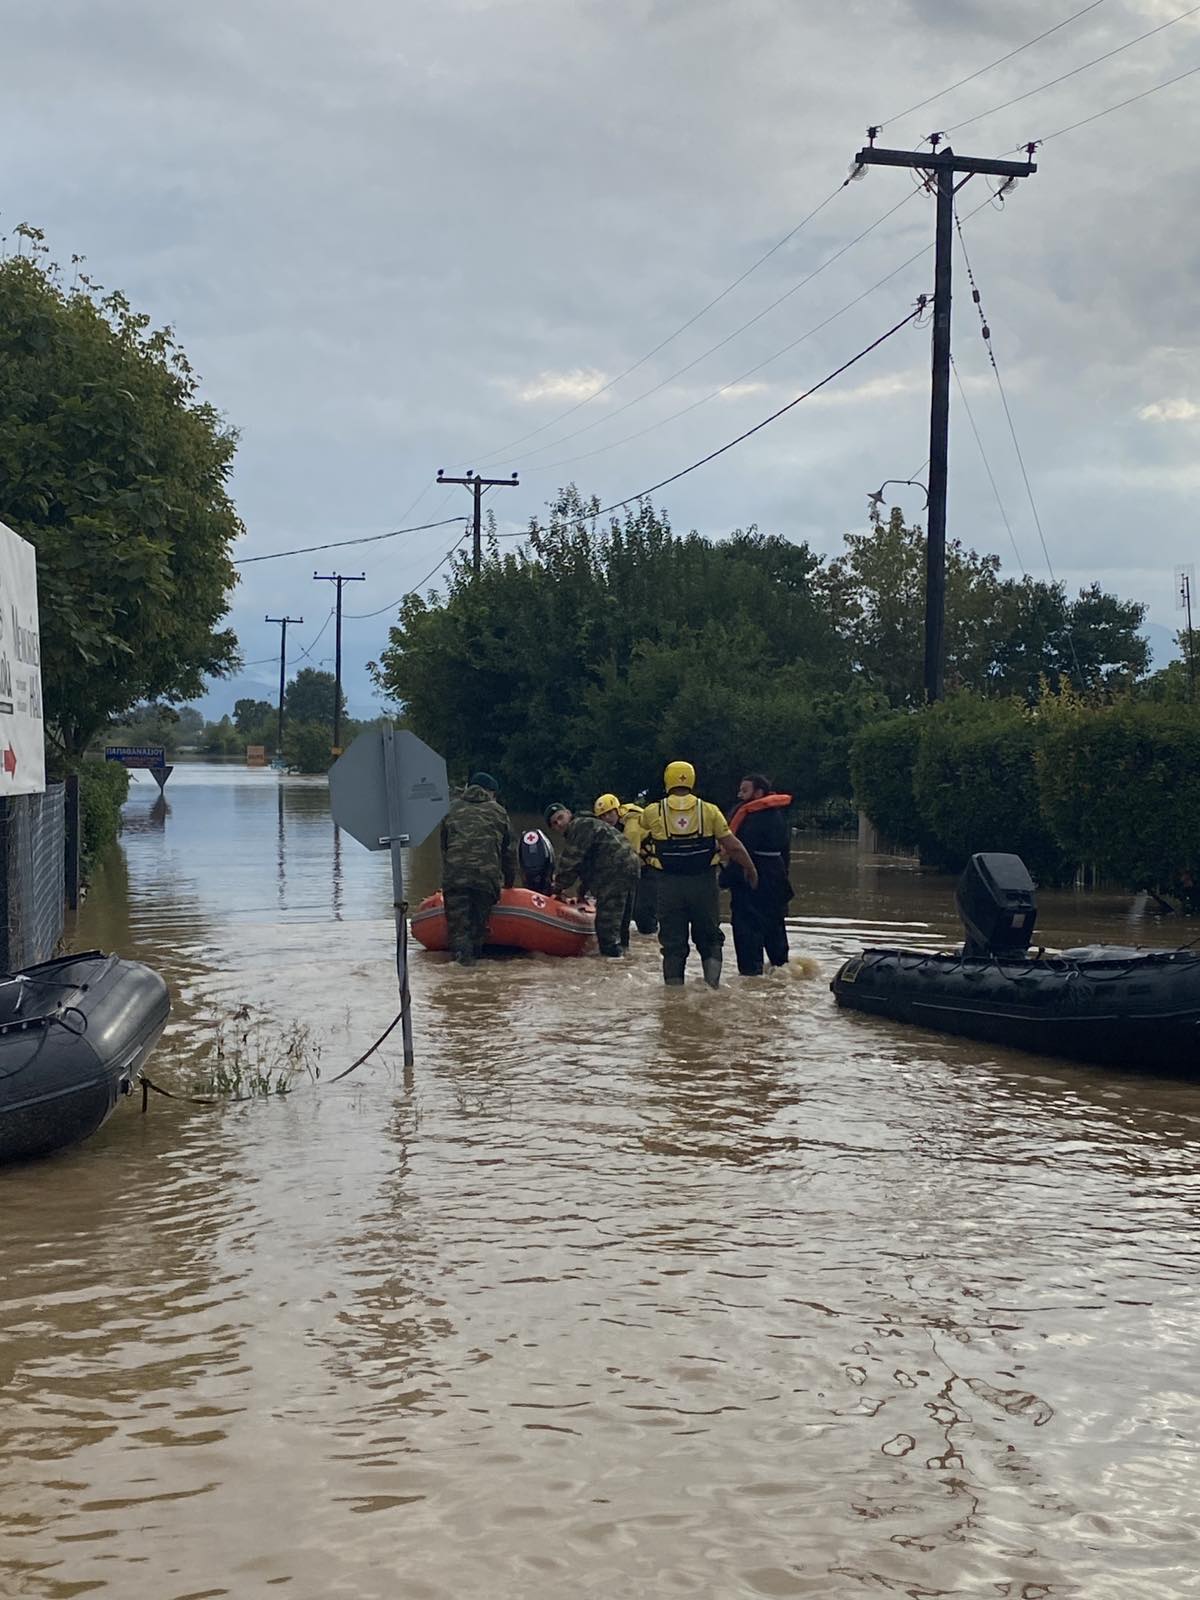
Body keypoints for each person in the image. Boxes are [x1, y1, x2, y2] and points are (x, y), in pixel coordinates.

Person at [639, 761, 757, 988]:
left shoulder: (653, 811)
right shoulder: (709, 810)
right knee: (710, 938)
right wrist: (750, 868)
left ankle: (673, 995)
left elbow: (640, 828)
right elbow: (733, 846)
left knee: (672, 943)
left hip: (668, 885)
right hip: (704, 884)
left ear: (667, 780)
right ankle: (712, 988)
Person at [439, 771, 516, 966]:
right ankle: (474, 970)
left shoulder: (451, 809)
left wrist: (449, 873)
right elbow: (509, 853)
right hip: (485, 879)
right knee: (477, 929)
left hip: (455, 877)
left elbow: (445, 846)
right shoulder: (499, 812)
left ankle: (460, 969)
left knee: (458, 930)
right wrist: (509, 883)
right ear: (489, 792)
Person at [546, 802, 640, 956]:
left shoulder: (578, 827)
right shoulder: (588, 823)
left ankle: (611, 961)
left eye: (560, 818)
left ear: (568, 813)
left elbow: (569, 864)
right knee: (621, 923)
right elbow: (586, 863)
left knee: (605, 926)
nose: (559, 824)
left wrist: (554, 889)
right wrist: (582, 891)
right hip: (630, 867)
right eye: (554, 823)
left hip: (614, 871)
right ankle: (625, 959)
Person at [724, 773, 794, 975]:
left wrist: (727, 878)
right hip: (777, 876)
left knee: (746, 925)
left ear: (759, 792)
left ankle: (751, 973)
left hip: (751, 877)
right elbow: (786, 851)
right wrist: (784, 875)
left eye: (744, 790)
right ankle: (780, 967)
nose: (739, 795)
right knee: (775, 924)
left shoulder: (749, 816)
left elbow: (739, 851)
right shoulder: (778, 815)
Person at [620, 800, 658, 936]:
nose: (606, 818)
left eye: (608, 814)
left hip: (650, 869)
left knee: (642, 912)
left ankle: (651, 936)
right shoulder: (632, 820)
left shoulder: (631, 827)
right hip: (647, 869)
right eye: (602, 816)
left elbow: (629, 856)